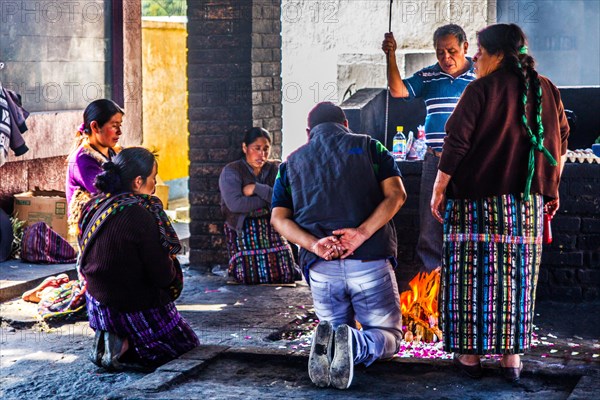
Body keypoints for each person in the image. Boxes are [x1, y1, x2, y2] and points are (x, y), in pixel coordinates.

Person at [430, 23, 569, 382]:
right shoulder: (547, 89)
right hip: (526, 206)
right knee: (517, 280)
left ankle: (471, 359)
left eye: (479, 50)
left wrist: (439, 188)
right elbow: (561, 140)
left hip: (475, 203)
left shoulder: (481, 90)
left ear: (498, 54)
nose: (475, 57)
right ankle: (512, 360)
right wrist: (549, 187)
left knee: (469, 279)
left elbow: (456, 142)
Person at [271, 102, 407, 389]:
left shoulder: (290, 163)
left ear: (309, 132)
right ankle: (356, 343)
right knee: (388, 336)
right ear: (346, 125)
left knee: (332, 333)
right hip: (369, 263)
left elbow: (278, 218)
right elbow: (397, 195)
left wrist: (314, 244)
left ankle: (335, 340)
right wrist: (360, 233)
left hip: (322, 268)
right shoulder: (370, 147)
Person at [79, 147, 199, 371]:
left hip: (96, 304)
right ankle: (128, 345)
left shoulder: (93, 205)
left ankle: (112, 336)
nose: (154, 185)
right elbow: (163, 276)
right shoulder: (140, 213)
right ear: (137, 181)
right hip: (125, 303)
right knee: (186, 344)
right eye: (153, 178)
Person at [382, 24, 476, 272]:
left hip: (470, 162)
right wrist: (391, 55)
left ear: (465, 47)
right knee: (430, 223)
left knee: (468, 219)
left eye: (452, 51)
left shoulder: (481, 76)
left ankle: (463, 277)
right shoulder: (428, 76)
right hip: (434, 160)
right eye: (440, 52)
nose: (446, 58)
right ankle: (431, 282)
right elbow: (397, 90)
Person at [219, 127, 300, 284]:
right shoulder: (232, 171)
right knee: (245, 274)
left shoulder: (276, 168)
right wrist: (271, 199)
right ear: (245, 148)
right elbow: (235, 204)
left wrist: (256, 188)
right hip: (242, 226)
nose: (261, 154)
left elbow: (289, 199)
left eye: (266, 149)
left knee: (286, 272)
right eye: (257, 148)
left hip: (273, 225)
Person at [65, 99, 123, 239]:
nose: (120, 132)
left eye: (120, 125)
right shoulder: (82, 160)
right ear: (95, 127)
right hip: (93, 228)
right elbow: (109, 191)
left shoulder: (112, 152)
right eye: (114, 126)